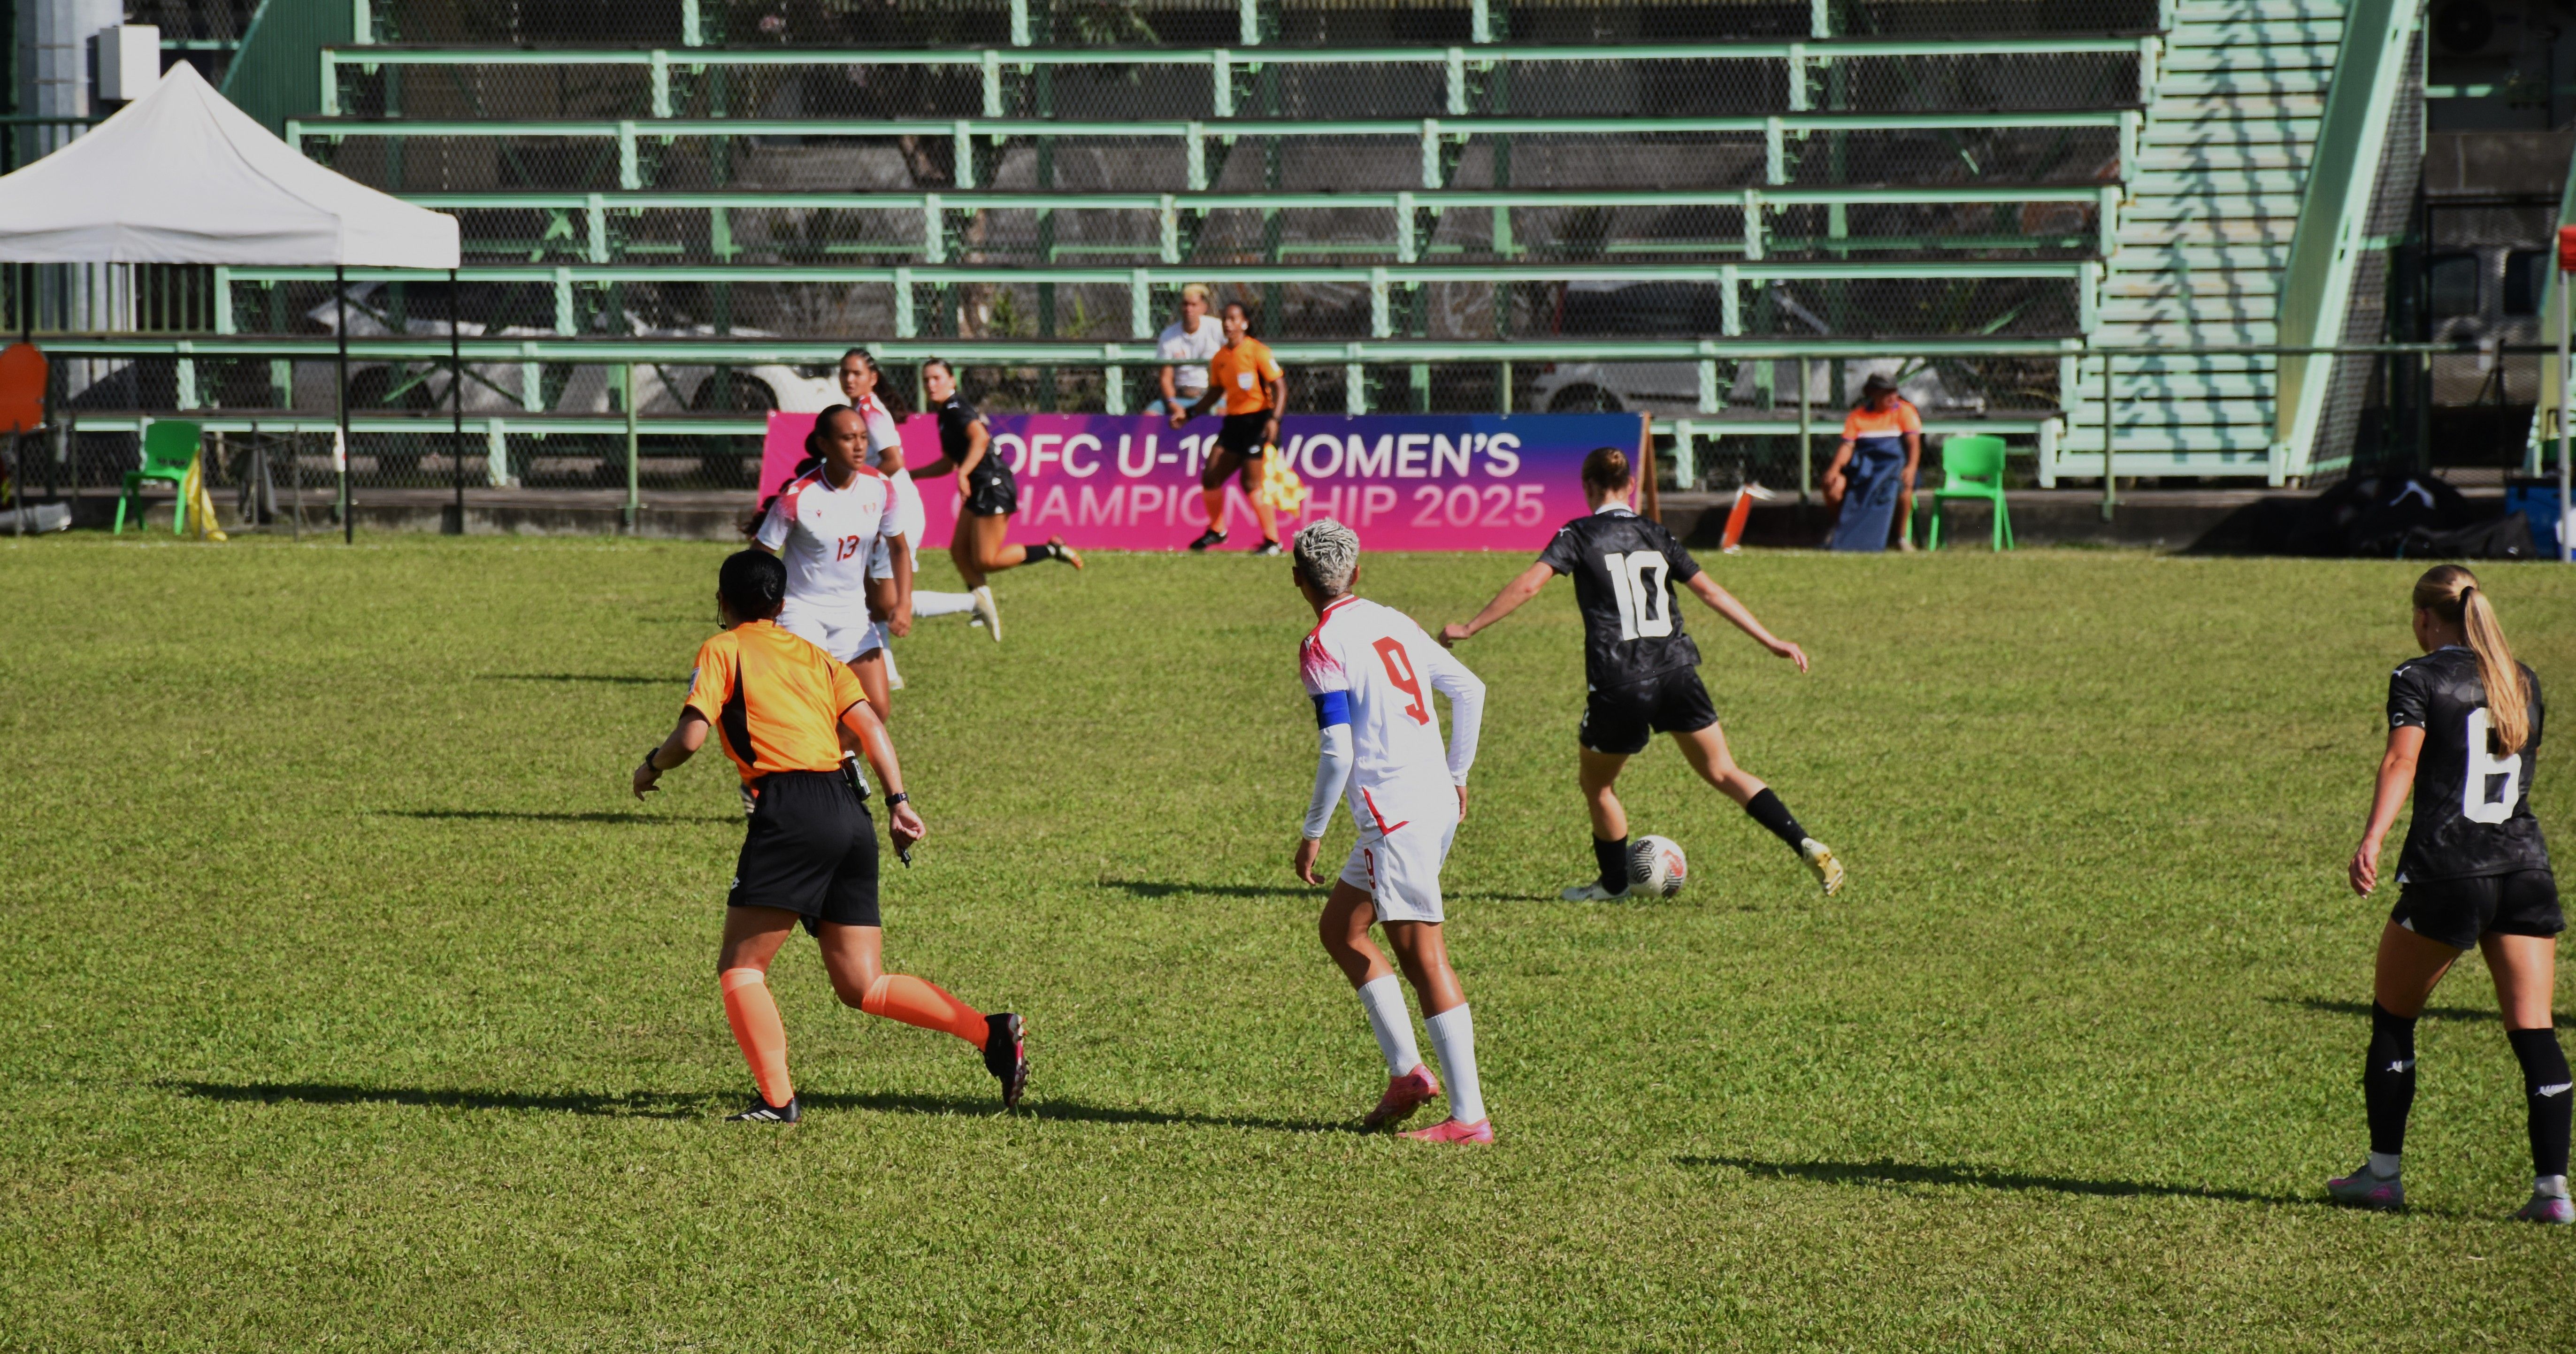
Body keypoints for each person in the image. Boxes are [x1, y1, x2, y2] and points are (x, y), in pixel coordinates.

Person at [631, 548, 1028, 1122]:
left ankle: (777, 1100)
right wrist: (899, 802)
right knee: (862, 983)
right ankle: (990, 1032)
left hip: (791, 810)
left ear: (722, 602)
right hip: (848, 809)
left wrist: (651, 765)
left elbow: (690, 738)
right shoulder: (817, 657)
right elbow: (869, 726)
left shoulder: (723, 648)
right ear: (783, 604)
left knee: (741, 967)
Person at [1439, 446, 1844, 901]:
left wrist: (1469, 625)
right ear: (1630, 485)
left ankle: (1613, 884)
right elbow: (1709, 591)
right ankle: (1804, 841)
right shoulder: (1655, 532)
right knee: (1723, 769)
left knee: (1598, 784)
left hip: (1620, 679)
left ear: (1587, 487)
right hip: (1676, 671)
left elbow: (1532, 583)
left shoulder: (1577, 532)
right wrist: (1771, 639)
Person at [2332, 565, 2566, 1223]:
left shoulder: (2419, 675)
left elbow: (2402, 760)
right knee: (2535, 1030)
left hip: (2449, 869)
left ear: (2425, 618)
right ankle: (2554, 1190)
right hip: (2524, 866)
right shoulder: (2522, 679)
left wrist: (2373, 837)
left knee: (2393, 1017)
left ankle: (2382, 1175)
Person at [1288, 520, 1493, 1142]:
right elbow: (1470, 688)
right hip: (1427, 801)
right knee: (1341, 929)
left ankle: (1468, 1118)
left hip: (1393, 817)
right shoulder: (1393, 620)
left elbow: (1337, 752)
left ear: (1299, 580)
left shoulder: (1322, 644)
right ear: (1357, 571)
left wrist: (1312, 831)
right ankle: (1408, 1074)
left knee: (1423, 956)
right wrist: (1457, 774)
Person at [903, 357, 1083, 644]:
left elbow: (981, 438)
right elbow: (950, 461)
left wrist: (964, 473)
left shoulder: (955, 407)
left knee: (986, 559)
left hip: (992, 486)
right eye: (926, 380)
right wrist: (911, 475)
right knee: (959, 552)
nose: (931, 384)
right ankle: (980, 606)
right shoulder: (945, 414)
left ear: (952, 381)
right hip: (980, 486)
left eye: (937, 378)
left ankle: (1052, 549)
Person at [755, 405, 909, 726]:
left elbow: (899, 548)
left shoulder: (881, 487)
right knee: (814, 710)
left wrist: (904, 603)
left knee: (877, 709)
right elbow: (758, 556)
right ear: (824, 444)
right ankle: (786, 773)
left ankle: (826, 773)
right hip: (801, 611)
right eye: (848, 438)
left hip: (853, 613)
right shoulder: (798, 496)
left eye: (864, 438)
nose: (859, 446)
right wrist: (760, 612)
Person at [836, 348, 983, 654]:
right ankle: (886, 674)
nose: (849, 379)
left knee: (886, 602)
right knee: (873, 599)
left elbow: (894, 460)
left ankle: (973, 601)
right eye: (845, 372)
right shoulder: (861, 408)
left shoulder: (869, 412)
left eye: (857, 373)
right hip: (884, 507)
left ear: (872, 378)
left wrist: (854, 483)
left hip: (896, 509)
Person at [1170, 300, 1287, 556]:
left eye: (1234, 319)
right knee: (1211, 477)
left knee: (1251, 483)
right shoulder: (1221, 358)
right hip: (1233, 423)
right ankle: (1217, 530)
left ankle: (1273, 541)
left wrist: (1274, 420)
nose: (1228, 324)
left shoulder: (1258, 352)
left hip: (1257, 421)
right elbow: (1215, 392)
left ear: (1245, 323)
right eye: (1225, 319)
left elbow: (1279, 387)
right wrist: (1189, 414)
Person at [1818, 372, 1922, 553]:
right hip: (1865, 472)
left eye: (1894, 392)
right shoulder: (1857, 416)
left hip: (1896, 470)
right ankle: (1841, 530)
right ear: (1873, 394)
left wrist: (1911, 468)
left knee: (1906, 488)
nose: (1892, 397)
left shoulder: (1905, 411)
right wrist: (1835, 470)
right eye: (1886, 393)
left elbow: (1914, 444)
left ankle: (1901, 537)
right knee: (1833, 487)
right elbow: (1847, 446)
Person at [1153, 283, 1222, 416]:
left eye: (1193, 305)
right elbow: (1166, 378)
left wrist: (1223, 396)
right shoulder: (1168, 336)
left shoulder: (1217, 329)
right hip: (1180, 396)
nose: (1189, 309)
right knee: (1150, 416)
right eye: (1185, 304)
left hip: (1211, 396)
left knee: (1224, 413)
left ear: (1204, 307)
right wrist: (1173, 404)